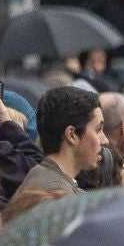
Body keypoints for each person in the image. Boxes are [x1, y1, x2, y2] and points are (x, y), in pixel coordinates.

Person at [7, 86, 104, 222]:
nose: (104, 140)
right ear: (72, 135)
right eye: (98, 130)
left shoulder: (42, 176)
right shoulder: (58, 200)